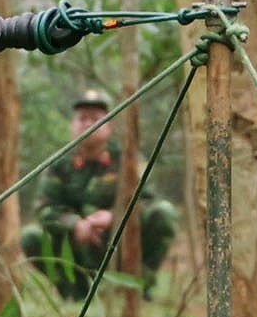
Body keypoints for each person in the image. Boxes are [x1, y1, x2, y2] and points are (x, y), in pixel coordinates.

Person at [29, 89, 175, 298]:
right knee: (31, 237)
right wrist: (75, 224)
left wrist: (113, 217)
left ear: (109, 126)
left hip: (120, 241)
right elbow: (44, 209)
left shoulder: (129, 160)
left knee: (164, 213)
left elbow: (147, 202)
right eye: (82, 119)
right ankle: (74, 292)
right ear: (72, 125)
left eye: (96, 119)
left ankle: (138, 286)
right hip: (76, 244)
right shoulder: (59, 164)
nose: (88, 124)